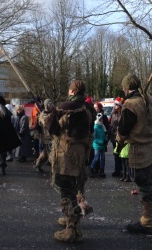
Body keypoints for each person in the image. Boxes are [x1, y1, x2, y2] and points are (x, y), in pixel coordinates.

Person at [46, 80, 94, 243]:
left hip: (66, 154)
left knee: (65, 188)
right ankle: (72, 218)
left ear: (72, 91)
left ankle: (73, 229)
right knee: (76, 186)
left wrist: (46, 116)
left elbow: (51, 129)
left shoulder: (63, 107)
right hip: (82, 153)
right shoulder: (89, 108)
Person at [116, 74, 152, 234]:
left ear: (126, 88)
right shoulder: (148, 98)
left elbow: (124, 128)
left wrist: (118, 139)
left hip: (140, 149)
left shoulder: (131, 104)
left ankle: (147, 221)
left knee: (145, 184)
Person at [34, 99, 54, 173]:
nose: (51, 105)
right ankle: (54, 168)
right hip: (46, 137)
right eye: (49, 104)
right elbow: (45, 122)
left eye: (52, 103)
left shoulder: (52, 113)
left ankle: (38, 164)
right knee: (52, 153)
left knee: (45, 153)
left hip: (53, 136)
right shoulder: (43, 114)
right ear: (46, 105)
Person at [90, 113, 107, 178]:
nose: (102, 120)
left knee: (102, 158)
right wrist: (102, 141)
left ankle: (102, 170)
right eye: (101, 119)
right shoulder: (95, 127)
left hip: (102, 145)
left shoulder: (102, 127)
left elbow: (104, 135)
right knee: (96, 158)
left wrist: (106, 139)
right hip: (97, 145)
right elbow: (94, 138)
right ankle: (92, 168)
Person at [109, 97, 123, 177]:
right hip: (114, 136)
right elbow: (111, 124)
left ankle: (122, 169)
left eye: (116, 104)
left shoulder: (122, 114)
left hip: (120, 136)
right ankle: (117, 169)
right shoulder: (113, 114)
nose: (115, 106)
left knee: (121, 153)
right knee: (116, 153)